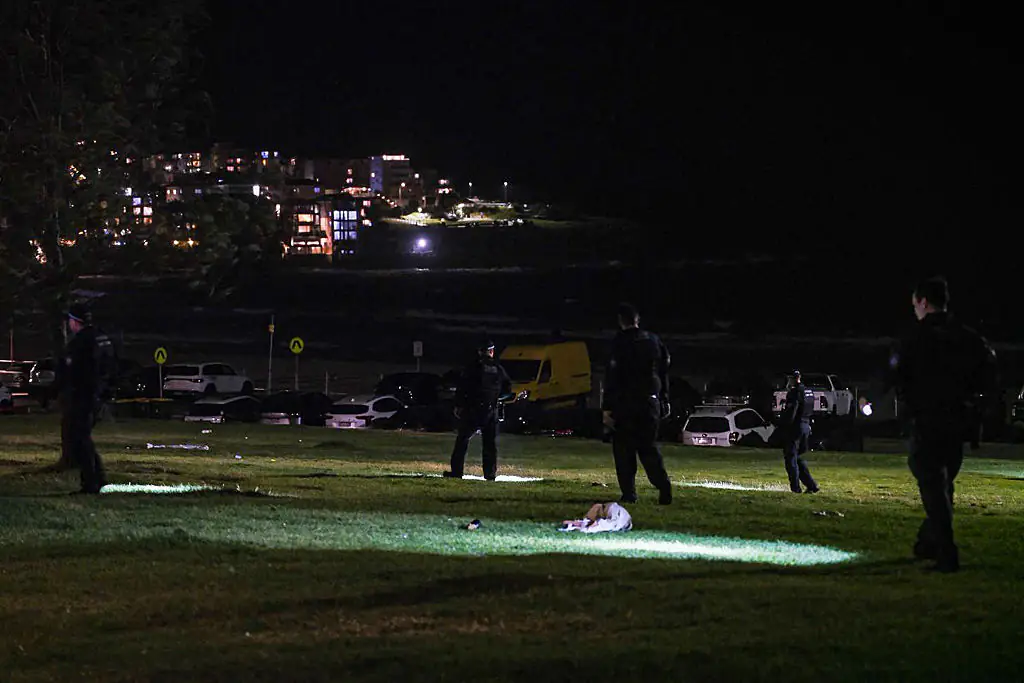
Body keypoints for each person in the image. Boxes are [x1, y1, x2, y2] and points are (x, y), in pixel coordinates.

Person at [887, 276, 997, 573]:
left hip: (925, 421)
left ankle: (947, 553)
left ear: (923, 302)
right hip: (958, 422)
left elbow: (894, 376)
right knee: (943, 484)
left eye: (915, 305)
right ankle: (929, 541)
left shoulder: (913, 339)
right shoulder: (969, 338)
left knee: (934, 486)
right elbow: (988, 377)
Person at [601, 303, 673, 504]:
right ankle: (663, 487)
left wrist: (607, 408)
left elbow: (612, 377)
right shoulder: (653, 340)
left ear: (620, 321)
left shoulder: (619, 342)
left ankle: (629, 493)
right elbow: (663, 371)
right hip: (650, 402)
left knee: (624, 450)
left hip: (625, 403)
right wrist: (664, 398)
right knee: (648, 447)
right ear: (637, 319)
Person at [55, 303, 107, 494]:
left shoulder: (81, 343)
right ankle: (98, 477)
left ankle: (90, 483)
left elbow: (74, 371)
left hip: (82, 396)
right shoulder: (98, 338)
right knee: (84, 438)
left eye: (70, 320)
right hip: (92, 395)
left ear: (75, 322)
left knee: (79, 439)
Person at [444, 339, 512, 480]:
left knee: (462, 441)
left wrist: (459, 405)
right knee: (490, 444)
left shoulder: (473, 367)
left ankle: (457, 472)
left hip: (473, 410)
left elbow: (463, 388)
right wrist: (495, 399)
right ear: (492, 351)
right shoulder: (498, 368)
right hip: (491, 411)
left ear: (480, 352)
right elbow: (508, 390)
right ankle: (490, 474)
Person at [779, 370, 820, 494]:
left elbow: (793, 411)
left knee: (790, 458)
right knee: (797, 458)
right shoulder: (809, 392)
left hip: (795, 428)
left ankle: (796, 488)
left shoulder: (795, 392)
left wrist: (783, 425)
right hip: (806, 426)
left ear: (791, 379)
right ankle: (811, 485)